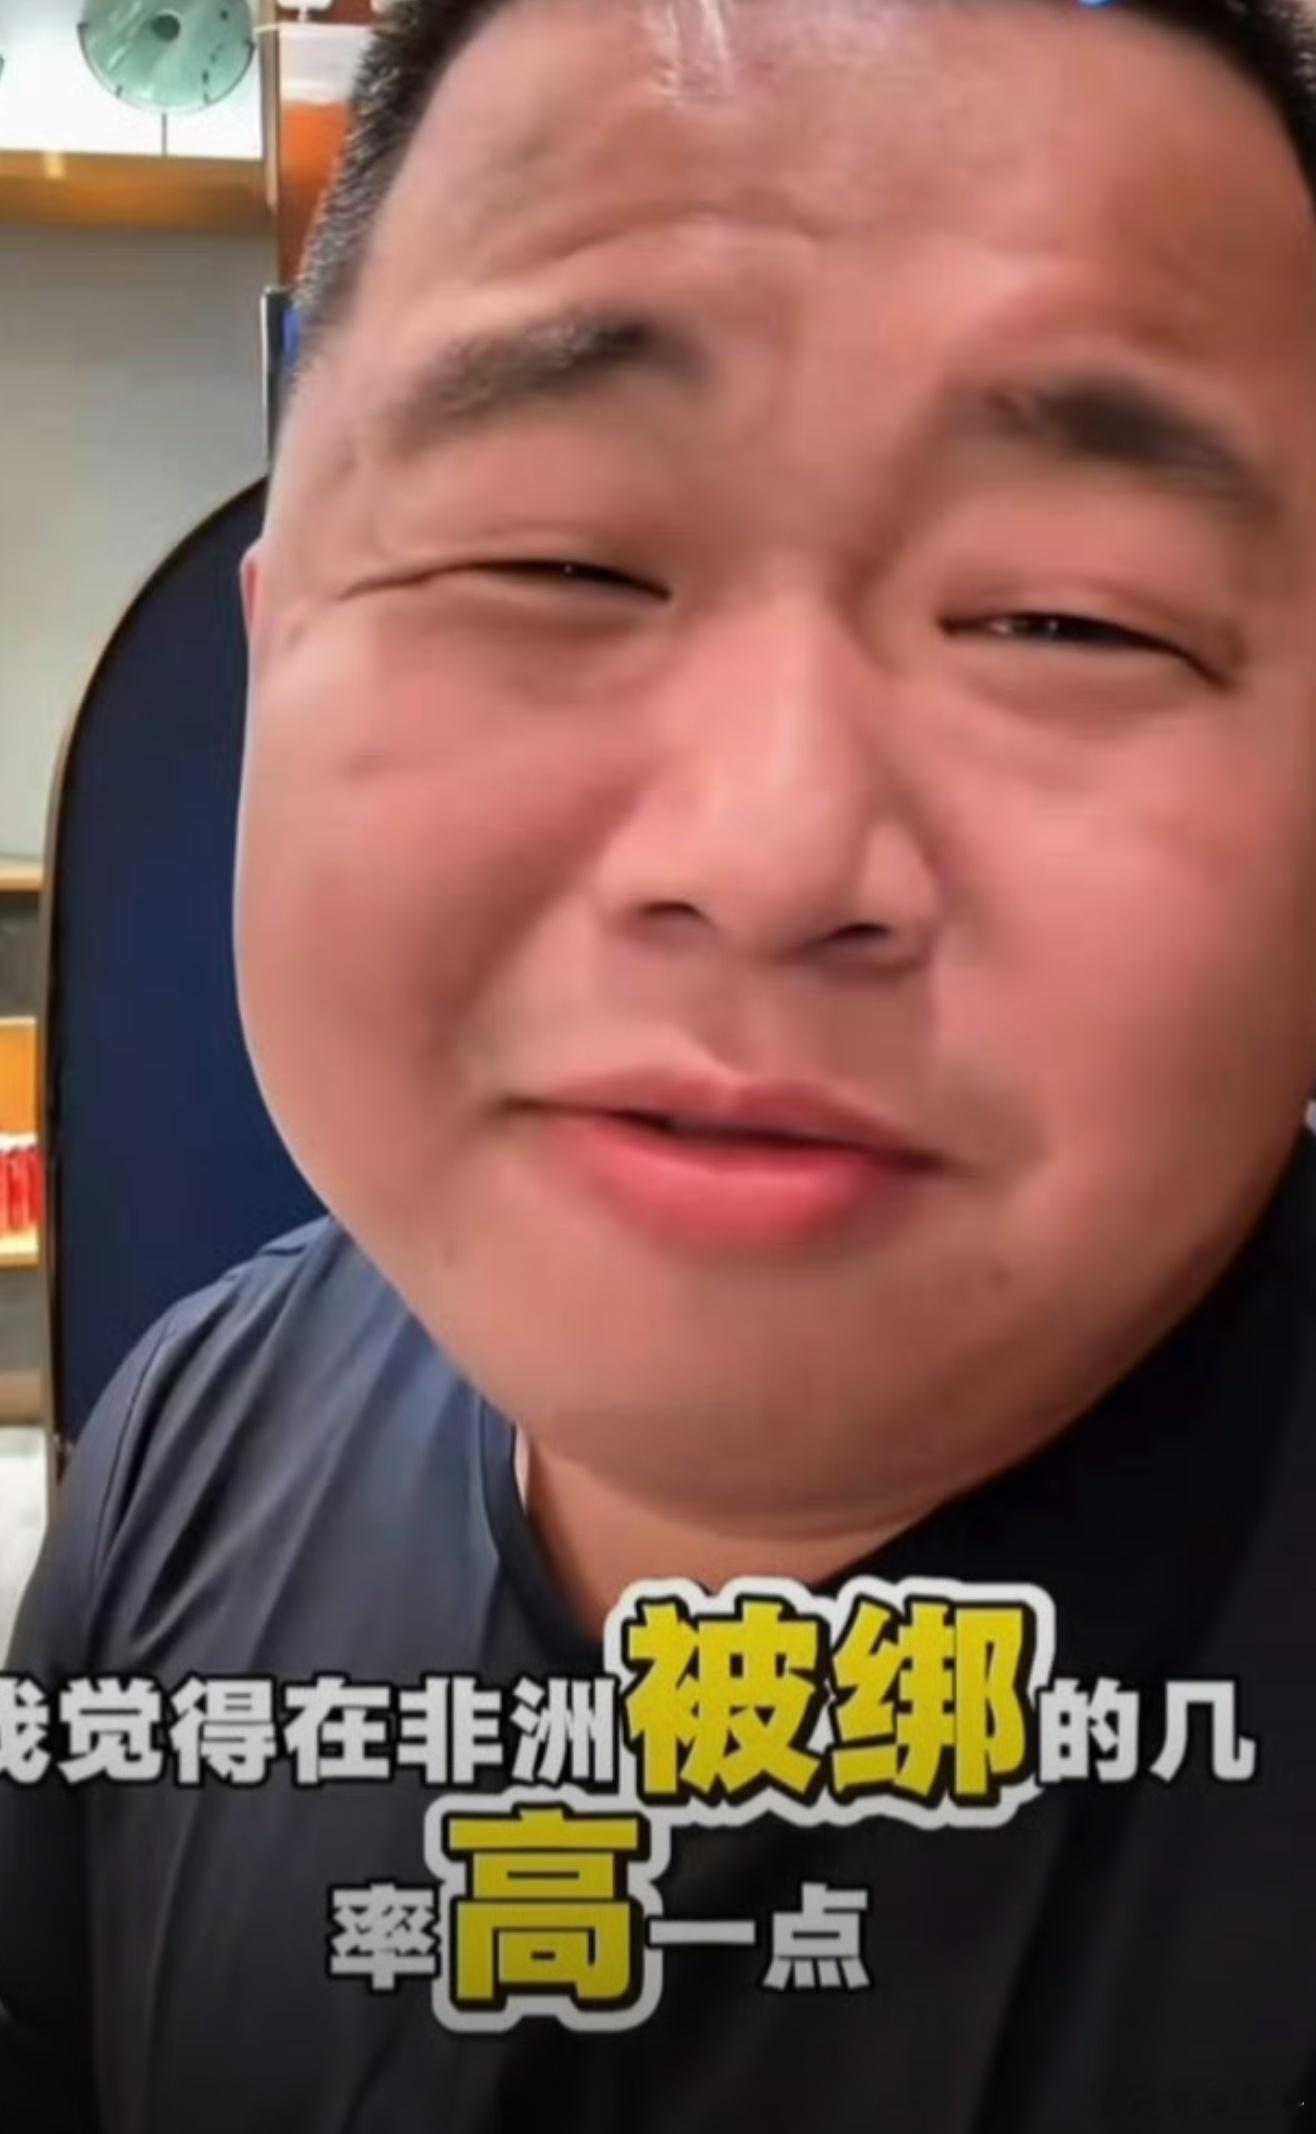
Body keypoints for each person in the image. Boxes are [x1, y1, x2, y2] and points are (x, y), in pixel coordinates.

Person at [7, 0, 1316, 2124]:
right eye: (558, 561)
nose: (769, 852)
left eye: (1069, 618)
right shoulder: (192, 1441)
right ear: (274, 655)